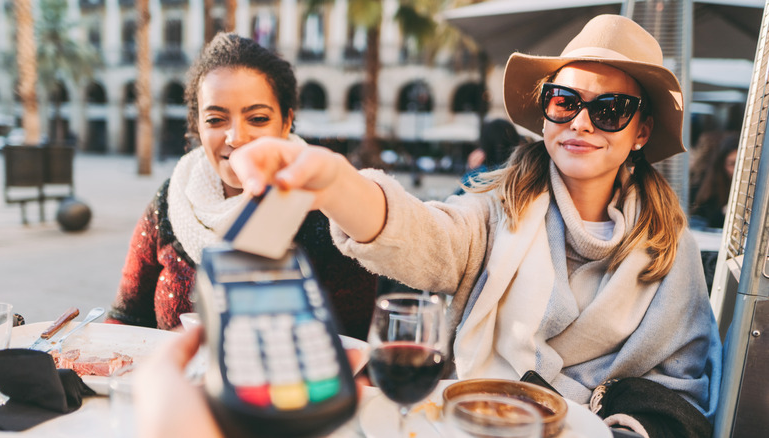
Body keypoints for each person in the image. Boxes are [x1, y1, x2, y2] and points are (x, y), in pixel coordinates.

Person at [227, 15, 721, 437]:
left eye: (611, 109)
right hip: (476, 422)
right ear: (545, 113)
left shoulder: (670, 249)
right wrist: (334, 182)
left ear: (642, 132)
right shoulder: (497, 210)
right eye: (565, 100)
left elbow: (680, 385)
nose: (582, 122)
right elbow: (425, 234)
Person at [105, 33, 377, 340]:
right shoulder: (170, 199)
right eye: (216, 119)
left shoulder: (325, 207)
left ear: (286, 122)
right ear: (197, 126)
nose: (236, 137)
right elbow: (125, 318)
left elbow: (358, 345)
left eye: (258, 118)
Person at [689, 131, 739, 229]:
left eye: (741, 163)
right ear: (722, 164)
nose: (737, 169)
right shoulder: (706, 188)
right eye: (732, 164)